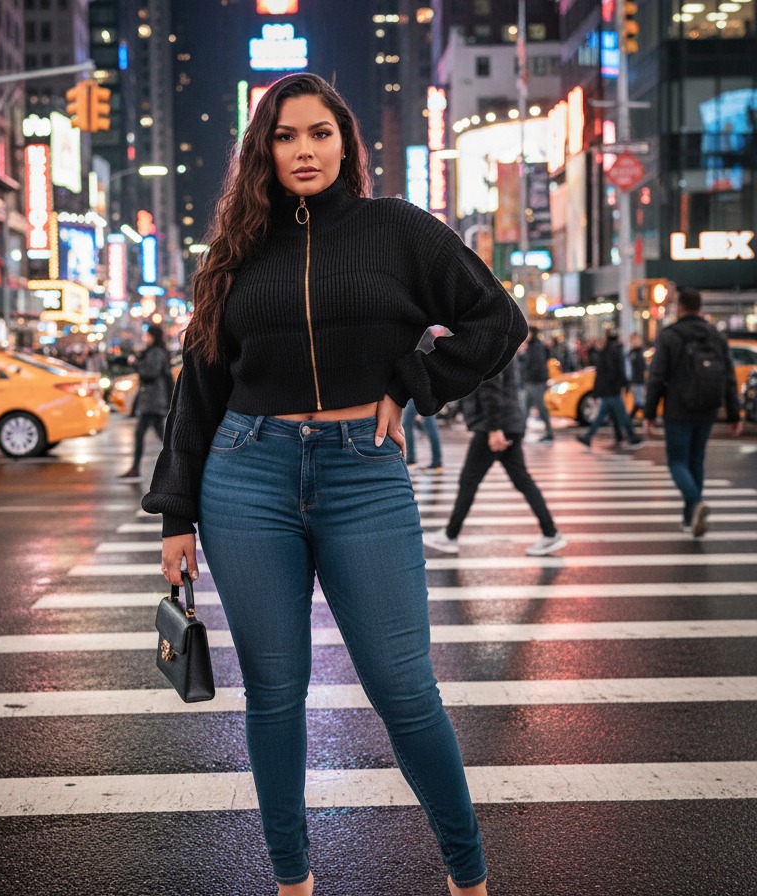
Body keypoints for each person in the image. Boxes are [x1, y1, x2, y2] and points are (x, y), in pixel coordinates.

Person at [141, 73, 527, 896]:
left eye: (319, 133)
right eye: (284, 137)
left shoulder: (397, 230)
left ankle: (469, 879)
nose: (303, 150)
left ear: (346, 142)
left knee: (404, 688)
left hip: (363, 473)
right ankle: (292, 883)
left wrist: (410, 382)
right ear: (263, 151)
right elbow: (200, 384)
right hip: (246, 475)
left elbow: (499, 321)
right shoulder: (236, 252)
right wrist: (176, 510)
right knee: (275, 695)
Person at [426, 357, 567, 557]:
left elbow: (491, 390)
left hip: (494, 428)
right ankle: (550, 532)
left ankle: (450, 535)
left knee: (469, 480)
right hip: (508, 424)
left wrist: (494, 429)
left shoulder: (492, 348)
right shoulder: (502, 346)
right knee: (522, 480)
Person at [643, 288, 742, 536]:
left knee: (677, 462)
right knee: (696, 460)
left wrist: (649, 412)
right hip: (709, 408)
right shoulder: (716, 336)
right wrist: (733, 415)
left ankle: (695, 502)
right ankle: (689, 519)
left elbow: (657, 377)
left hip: (678, 409)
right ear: (700, 307)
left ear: (680, 307)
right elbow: (729, 378)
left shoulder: (670, 336)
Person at [118, 325, 173, 482]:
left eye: (147, 335)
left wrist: (136, 363)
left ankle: (136, 469)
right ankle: (177, 463)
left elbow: (151, 373)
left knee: (142, 433)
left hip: (153, 401)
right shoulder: (156, 351)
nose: (145, 338)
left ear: (153, 336)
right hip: (153, 400)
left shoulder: (156, 352)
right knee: (160, 435)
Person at [576, 329, 644, 450]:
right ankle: (632, 437)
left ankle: (612, 436)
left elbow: (600, 374)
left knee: (608, 415)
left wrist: (597, 390)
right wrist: (624, 384)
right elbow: (620, 371)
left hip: (607, 390)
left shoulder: (604, 352)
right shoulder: (617, 352)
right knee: (621, 415)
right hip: (613, 390)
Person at [519, 326, 555, 443]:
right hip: (531, 381)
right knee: (525, 408)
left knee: (541, 408)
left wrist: (526, 372)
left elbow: (536, 365)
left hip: (536, 382)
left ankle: (549, 433)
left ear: (532, 334)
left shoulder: (536, 347)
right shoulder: (532, 347)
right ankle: (520, 432)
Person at [403, 397, 443, 471]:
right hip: (428, 389)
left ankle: (410, 459)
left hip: (417, 389)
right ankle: (437, 461)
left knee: (407, 423)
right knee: (429, 422)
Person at [627, 332, 648, 420]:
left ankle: (629, 420)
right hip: (636, 382)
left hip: (639, 382)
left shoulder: (639, 353)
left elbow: (644, 368)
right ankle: (648, 418)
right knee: (640, 403)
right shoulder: (632, 354)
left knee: (638, 403)